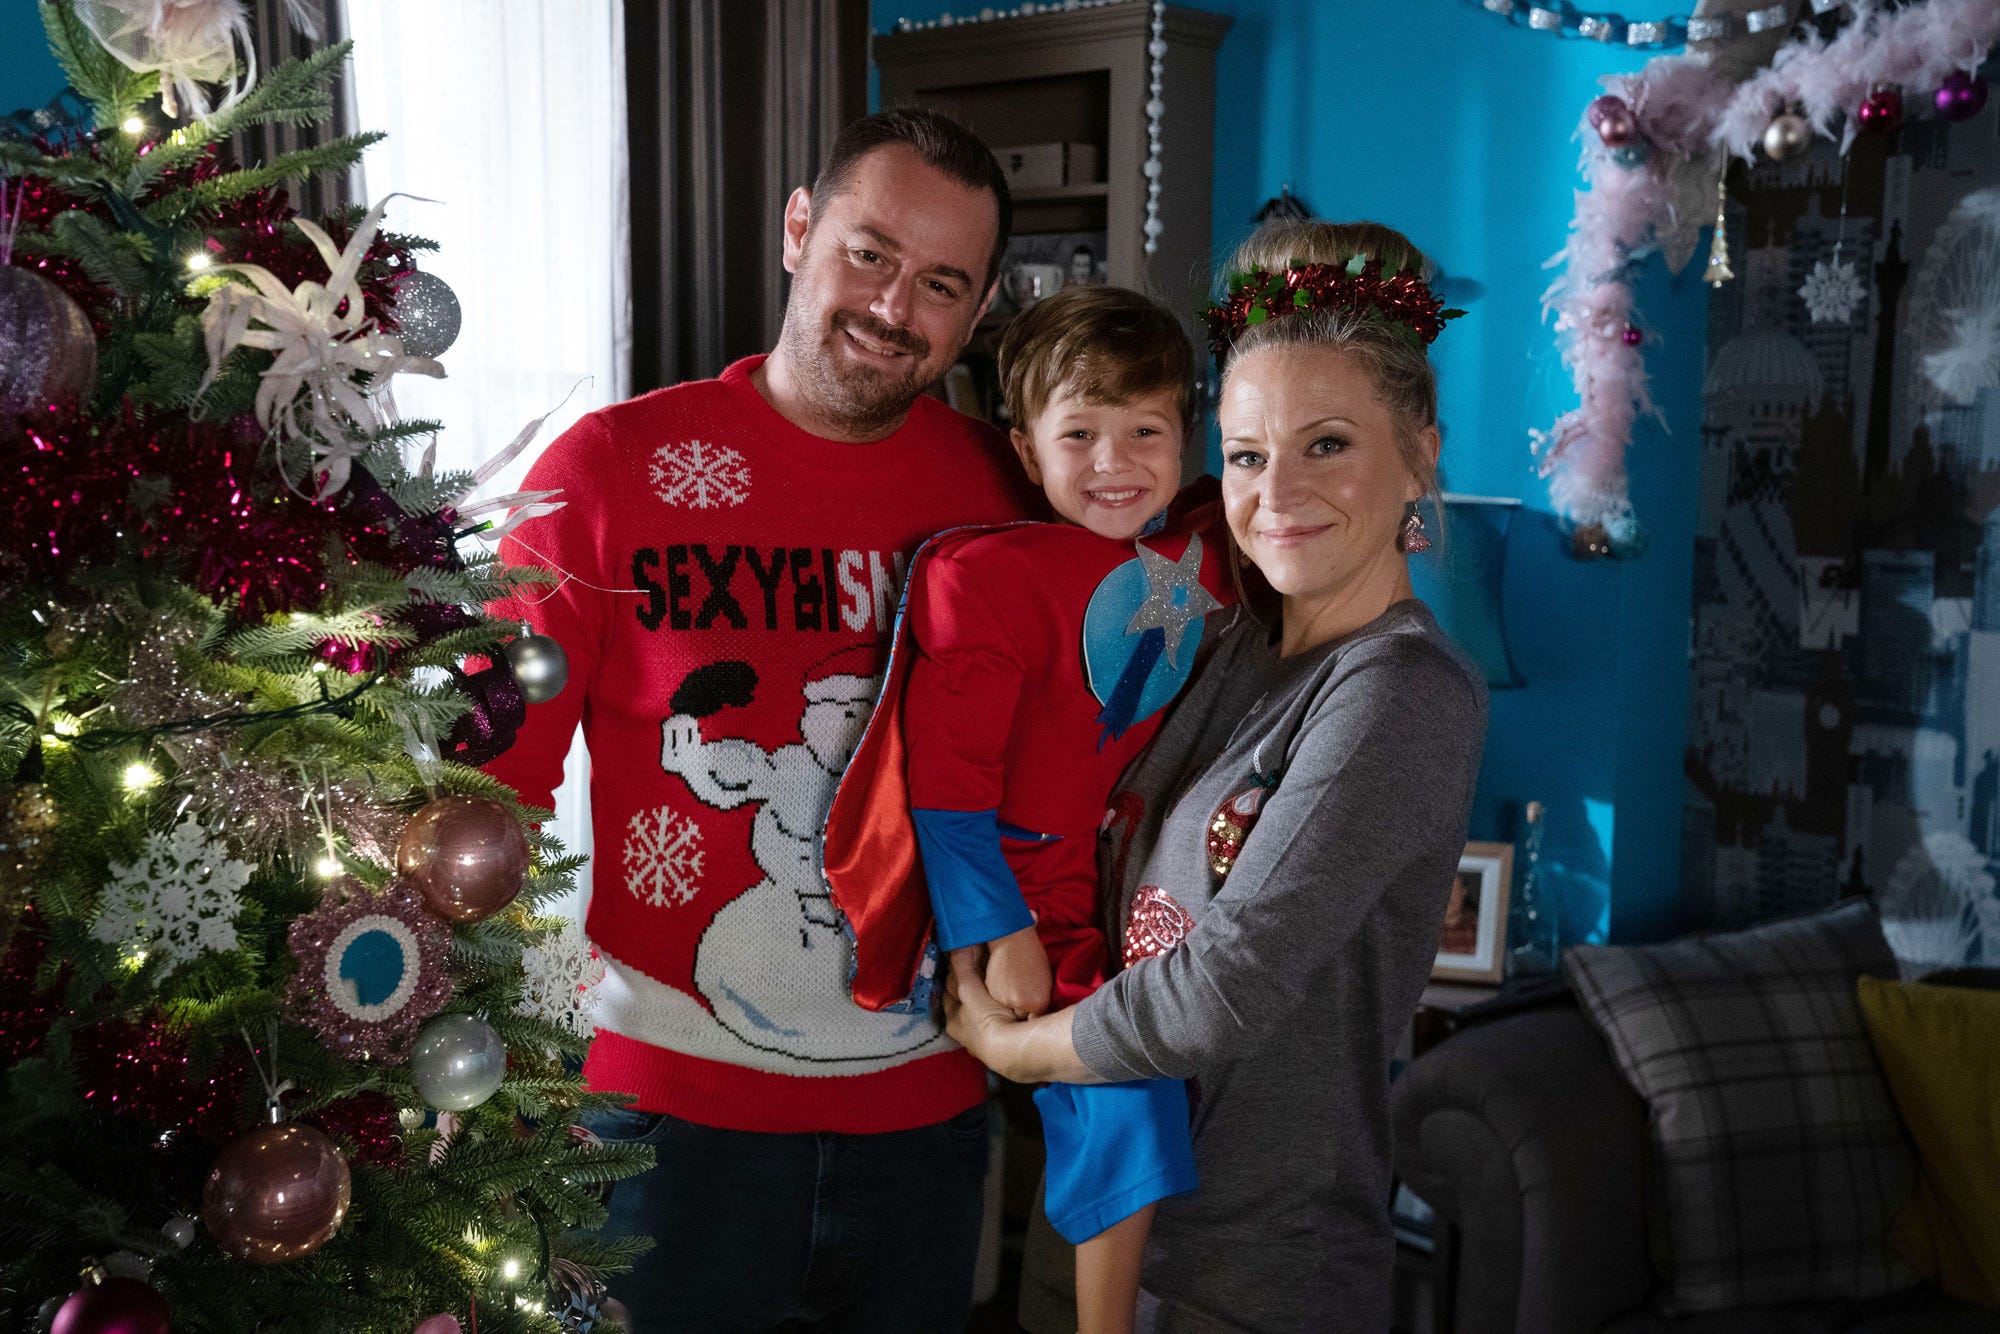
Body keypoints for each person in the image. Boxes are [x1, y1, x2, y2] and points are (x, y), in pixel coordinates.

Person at [484, 108, 1042, 1333]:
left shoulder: (1010, 491)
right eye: (867, 252)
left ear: (980, 305)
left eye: (940, 283)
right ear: (798, 229)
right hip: (660, 1133)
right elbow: (489, 793)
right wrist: (493, 1071)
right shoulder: (611, 468)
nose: (894, 306)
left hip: (928, 1120)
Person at [942, 218, 1490, 1334]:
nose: (1275, 490)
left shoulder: (1400, 689)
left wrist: (1009, 1046)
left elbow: (1218, 986)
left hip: (1254, 1273)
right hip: (1096, 1225)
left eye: (1326, 443)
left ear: (1420, 450)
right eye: (1244, 453)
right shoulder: (1224, 641)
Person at [822, 285, 1229, 1334]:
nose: (1113, 461)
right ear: (1023, 443)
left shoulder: (1202, 552)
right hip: (1030, 873)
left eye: (1144, 430)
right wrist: (990, 926)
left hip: (1137, 869)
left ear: (1186, 436)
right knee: (1120, 1082)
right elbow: (950, 790)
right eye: (1079, 433)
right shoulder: (988, 577)